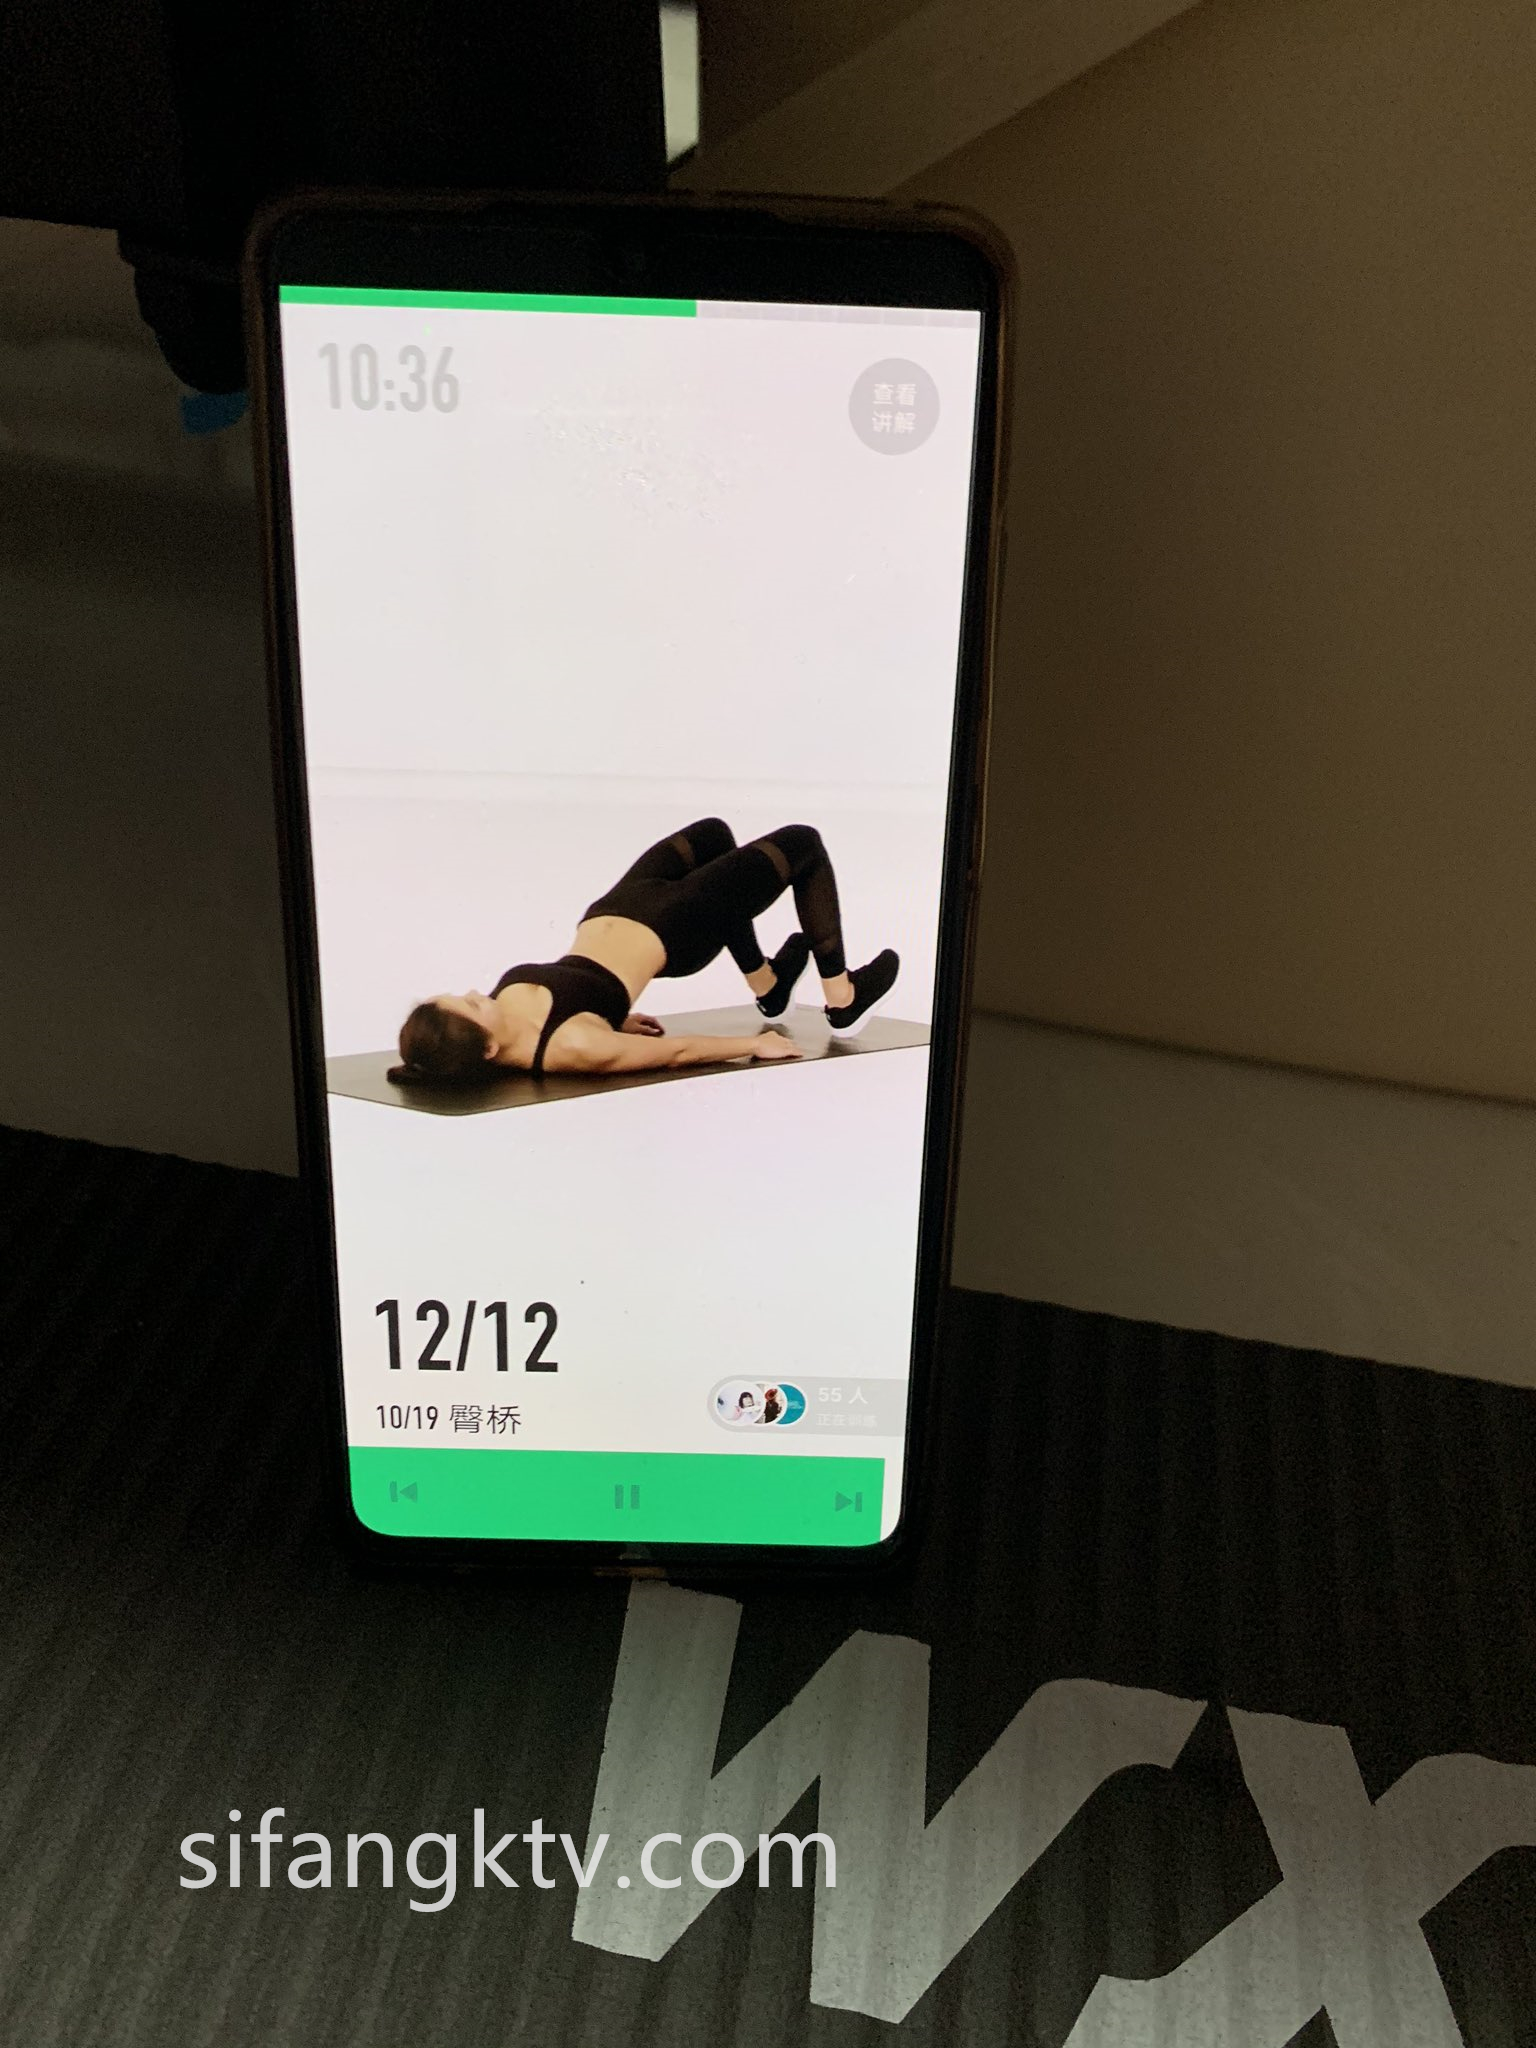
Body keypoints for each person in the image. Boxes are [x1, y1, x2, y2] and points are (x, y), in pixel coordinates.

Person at [388, 817, 899, 1084]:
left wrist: (611, 1017)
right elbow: (677, 1051)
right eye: (472, 1004)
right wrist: (752, 1045)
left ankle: (768, 986)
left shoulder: (509, 1031)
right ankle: (843, 998)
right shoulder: (575, 1047)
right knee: (802, 843)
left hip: (622, 904)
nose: (476, 992)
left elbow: (583, 998)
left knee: (713, 835)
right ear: (487, 1050)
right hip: (678, 926)